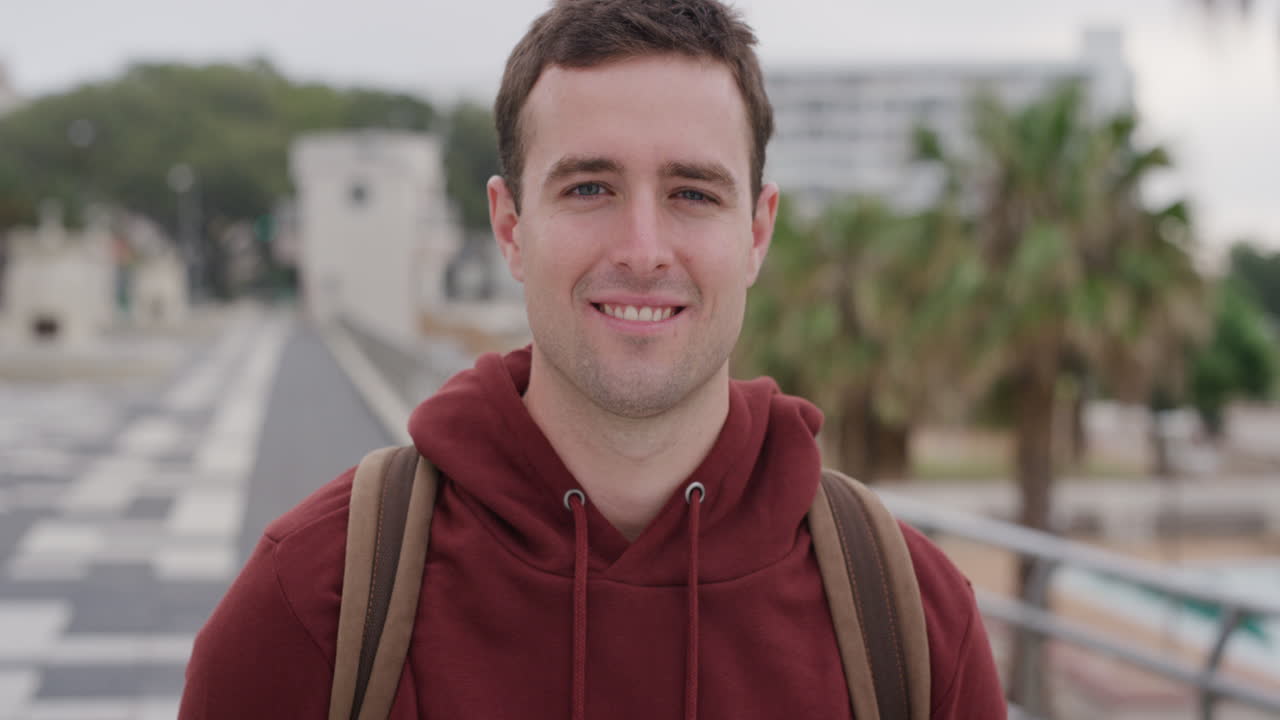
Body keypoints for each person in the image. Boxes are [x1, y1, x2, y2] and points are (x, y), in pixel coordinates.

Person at [178, 0, 1006, 717]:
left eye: (692, 193)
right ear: (509, 226)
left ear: (756, 231)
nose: (643, 250)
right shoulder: (318, 598)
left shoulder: (908, 622)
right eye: (589, 188)